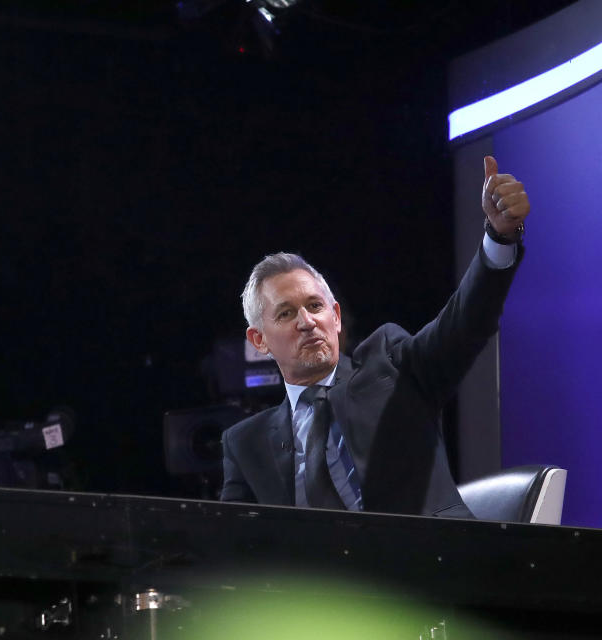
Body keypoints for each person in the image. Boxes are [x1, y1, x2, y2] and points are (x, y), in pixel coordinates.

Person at [220, 156, 529, 516]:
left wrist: (499, 237)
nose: (306, 322)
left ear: (335, 317)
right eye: (286, 313)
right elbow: (235, 549)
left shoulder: (392, 366)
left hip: (431, 564)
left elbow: (464, 323)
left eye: (315, 306)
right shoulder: (245, 444)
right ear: (259, 341)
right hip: (319, 572)